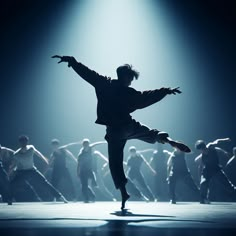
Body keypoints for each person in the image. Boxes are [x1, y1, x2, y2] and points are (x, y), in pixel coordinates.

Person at [52, 55, 191, 209]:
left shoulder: (104, 83)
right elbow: (146, 97)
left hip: (114, 131)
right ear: (125, 77)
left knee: (115, 163)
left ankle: (124, 192)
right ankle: (169, 140)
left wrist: (73, 62)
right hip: (128, 125)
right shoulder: (128, 93)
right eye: (130, 79)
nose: (131, 82)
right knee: (150, 133)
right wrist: (165, 91)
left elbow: (88, 73)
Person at [10, 135, 67, 203]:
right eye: (22, 143)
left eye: (25, 142)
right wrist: (10, 172)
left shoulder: (31, 148)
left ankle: (60, 197)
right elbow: (14, 164)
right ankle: (9, 199)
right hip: (21, 172)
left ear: (27, 142)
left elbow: (38, 153)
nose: (24, 144)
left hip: (32, 170)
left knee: (44, 183)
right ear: (20, 143)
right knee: (13, 185)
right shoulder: (16, 154)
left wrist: (44, 159)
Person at [195, 138, 236, 204]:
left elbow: (218, 141)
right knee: (203, 183)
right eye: (201, 150)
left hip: (216, 169)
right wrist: (200, 178)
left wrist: (225, 140)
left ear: (205, 147)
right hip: (207, 171)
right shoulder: (201, 157)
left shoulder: (210, 146)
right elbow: (200, 167)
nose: (203, 151)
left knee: (228, 185)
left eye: (203, 149)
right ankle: (203, 199)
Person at [77, 138, 106, 202]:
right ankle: (88, 198)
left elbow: (95, 144)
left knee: (92, 183)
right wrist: (78, 173)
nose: (86, 146)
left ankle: (94, 184)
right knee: (84, 186)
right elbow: (78, 165)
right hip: (82, 171)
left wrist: (104, 142)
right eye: (85, 145)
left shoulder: (90, 149)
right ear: (83, 146)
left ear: (88, 145)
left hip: (89, 170)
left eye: (87, 145)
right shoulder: (81, 154)